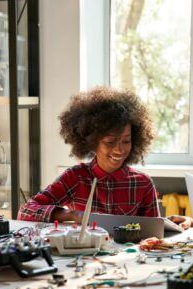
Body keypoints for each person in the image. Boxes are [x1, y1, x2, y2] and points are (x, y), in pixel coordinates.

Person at [18, 86, 160, 223]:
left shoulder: (143, 183)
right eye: (110, 142)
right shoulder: (76, 178)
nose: (119, 149)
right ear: (92, 141)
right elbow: (26, 211)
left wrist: (170, 224)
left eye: (126, 141)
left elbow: (155, 233)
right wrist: (72, 215)